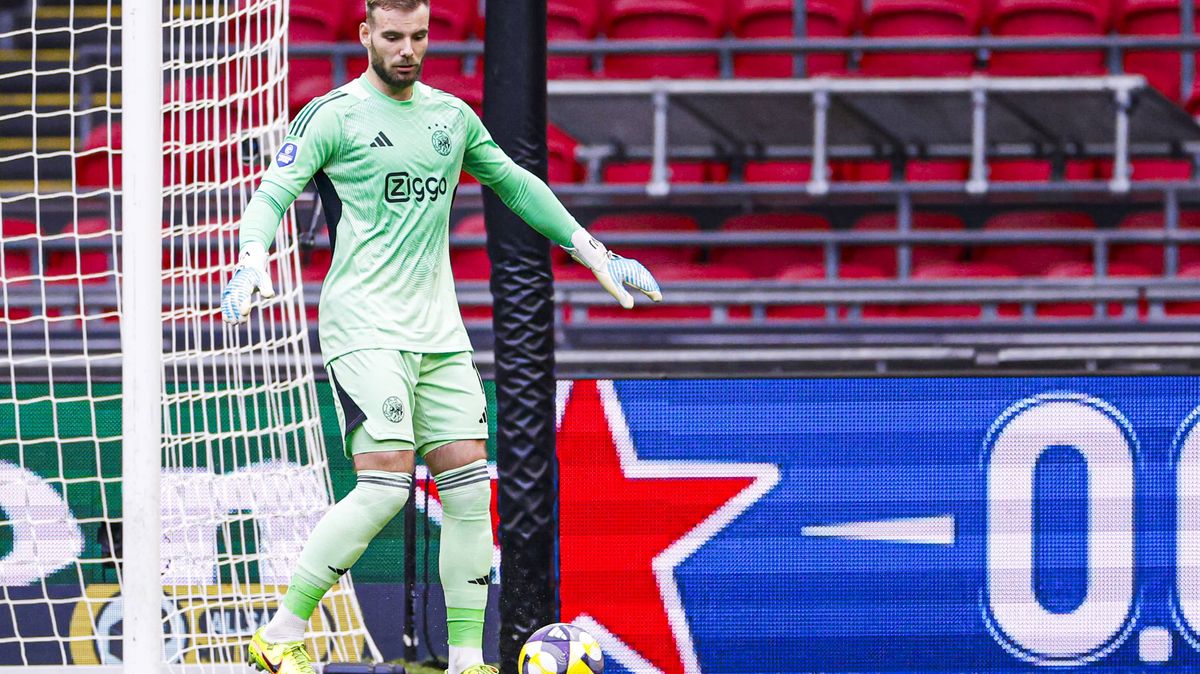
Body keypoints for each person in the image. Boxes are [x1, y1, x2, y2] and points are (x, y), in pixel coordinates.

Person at [219, 1, 661, 672]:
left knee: (466, 490)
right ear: (366, 34)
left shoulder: (451, 119)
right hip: (363, 323)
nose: (407, 49)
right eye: (392, 36)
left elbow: (514, 183)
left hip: (439, 331)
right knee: (385, 485)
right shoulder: (333, 114)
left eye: (418, 36)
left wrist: (592, 250)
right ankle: (281, 633)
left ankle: (464, 660)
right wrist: (252, 260)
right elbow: (271, 194)